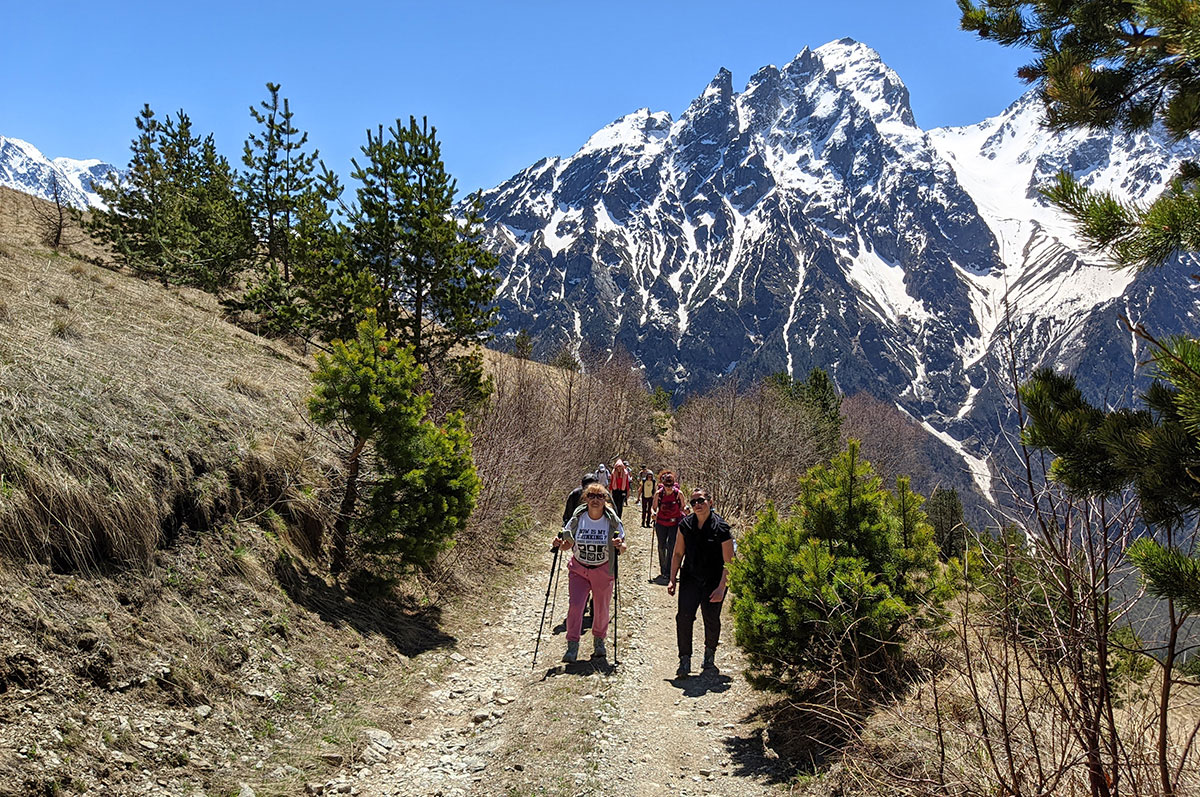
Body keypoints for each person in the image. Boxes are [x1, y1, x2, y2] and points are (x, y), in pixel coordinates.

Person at [553, 484, 627, 662]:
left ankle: (599, 642)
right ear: (585, 498)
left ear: (605, 499)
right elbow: (567, 545)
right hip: (579, 569)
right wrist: (558, 544)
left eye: (600, 496)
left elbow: (623, 547)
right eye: (591, 495)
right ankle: (572, 646)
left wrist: (619, 546)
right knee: (576, 606)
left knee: (601, 610)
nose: (595, 499)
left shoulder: (612, 520)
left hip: (603, 569)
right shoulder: (577, 519)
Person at [667, 487, 734, 677]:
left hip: (714, 581)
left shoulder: (722, 528)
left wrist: (722, 587)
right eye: (694, 502)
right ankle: (685, 660)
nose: (697, 505)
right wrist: (672, 579)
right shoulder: (685, 525)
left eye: (701, 501)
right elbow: (678, 553)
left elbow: (730, 561)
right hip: (690, 578)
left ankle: (709, 657)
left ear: (710, 502)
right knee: (684, 618)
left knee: (711, 619)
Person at [651, 471, 685, 581]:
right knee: (661, 546)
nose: (669, 488)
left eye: (670, 485)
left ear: (674, 484)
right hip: (661, 523)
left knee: (672, 547)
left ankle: (670, 570)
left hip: (674, 523)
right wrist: (653, 513)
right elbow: (653, 507)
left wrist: (686, 511)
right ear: (663, 484)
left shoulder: (679, 494)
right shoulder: (658, 494)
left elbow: (683, 507)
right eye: (666, 485)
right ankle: (663, 569)